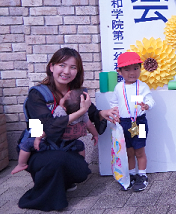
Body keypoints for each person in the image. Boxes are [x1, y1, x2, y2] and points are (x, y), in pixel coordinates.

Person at [18, 48, 118, 211]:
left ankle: (62, 180)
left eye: (73, 67)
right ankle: (46, 197)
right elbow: (45, 126)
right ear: (52, 67)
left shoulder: (76, 93)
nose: (67, 71)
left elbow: (91, 113)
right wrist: (79, 112)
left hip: (66, 148)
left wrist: (103, 113)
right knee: (55, 160)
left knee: (82, 172)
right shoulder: (37, 95)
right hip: (39, 148)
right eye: (62, 65)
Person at [13, 88, 99, 175]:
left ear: (64, 107)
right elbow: (89, 125)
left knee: (27, 144)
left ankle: (21, 164)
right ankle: (81, 163)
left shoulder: (60, 111)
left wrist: (38, 138)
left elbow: (52, 127)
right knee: (80, 145)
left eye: (63, 97)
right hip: (68, 144)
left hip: (51, 143)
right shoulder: (83, 113)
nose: (61, 97)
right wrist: (95, 135)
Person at [109, 51, 155, 192]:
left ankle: (142, 175)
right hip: (124, 124)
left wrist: (146, 106)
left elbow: (150, 100)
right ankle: (131, 174)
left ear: (140, 69)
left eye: (136, 68)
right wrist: (114, 115)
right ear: (120, 71)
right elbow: (114, 103)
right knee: (128, 151)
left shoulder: (142, 87)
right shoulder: (118, 88)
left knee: (139, 150)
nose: (132, 72)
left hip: (139, 122)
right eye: (127, 69)